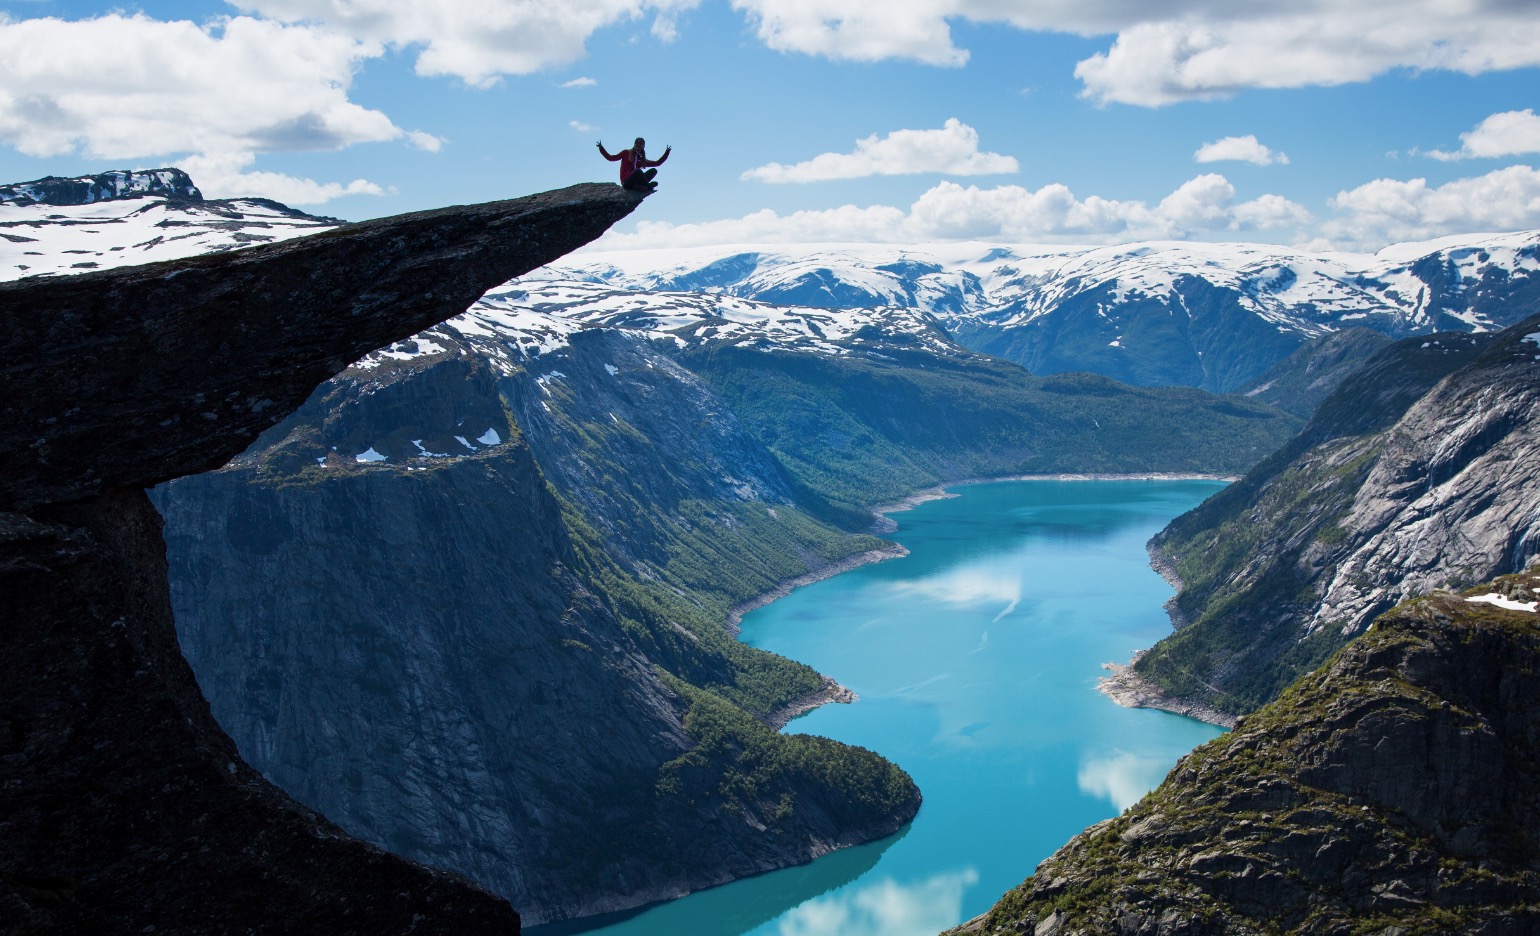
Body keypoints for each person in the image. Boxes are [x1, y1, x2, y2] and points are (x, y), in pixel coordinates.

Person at [597, 137, 671, 192]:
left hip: (636, 182)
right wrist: (601, 148)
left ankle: (639, 187)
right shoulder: (626, 153)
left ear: (643, 146)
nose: (638, 145)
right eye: (637, 143)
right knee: (638, 171)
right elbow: (611, 158)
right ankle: (648, 186)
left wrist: (667, 152)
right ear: (634, 144)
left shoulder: (641, 160)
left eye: (641, 144)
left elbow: (657, 163)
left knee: (653, 171)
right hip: (626, 182)